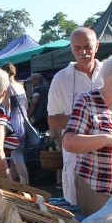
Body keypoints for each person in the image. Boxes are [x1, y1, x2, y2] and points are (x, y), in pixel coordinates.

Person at [63, 49, 112, 216]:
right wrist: (107, 138)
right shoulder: (87, 101)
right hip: (97, 188)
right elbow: (69, 142)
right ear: (105, 79)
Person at [47, 28, 104, 204]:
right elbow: (53, 119)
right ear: (72, 49)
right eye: (77, 48)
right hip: (76, 157)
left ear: (97, 46)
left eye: (87, 46)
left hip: (107, 156)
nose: (83, 52)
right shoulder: (61, 78)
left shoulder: (110, 72)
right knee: (77, 208)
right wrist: (88, 119)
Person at [0, 63, 30, 184]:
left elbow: (6, 108)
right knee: (14, 157)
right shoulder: (20, 86)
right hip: (22, 122)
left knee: (17, 157)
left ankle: (27, 187)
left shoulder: (7, 88)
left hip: (13, 123)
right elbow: (26, 106)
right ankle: (13, 185)